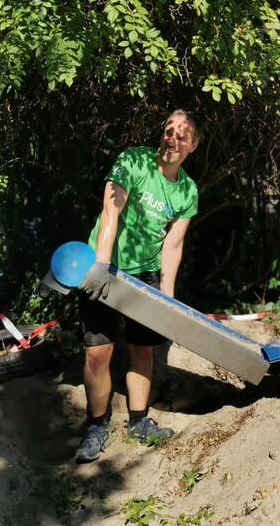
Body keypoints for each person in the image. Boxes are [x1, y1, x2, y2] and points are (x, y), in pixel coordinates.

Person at [74, 110, 200, 463]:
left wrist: (167, 296)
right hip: (106, 268)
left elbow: (173, 245)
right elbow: (110, 210)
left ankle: (139, 422)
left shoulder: (187, 190)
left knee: (142, 351)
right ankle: (97, 426)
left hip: (145, 276)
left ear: (193, 145)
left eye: (182, 135)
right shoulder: (134, 161)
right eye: (169, 131)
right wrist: (101, 265)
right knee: (97, 353)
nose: (172, 138)